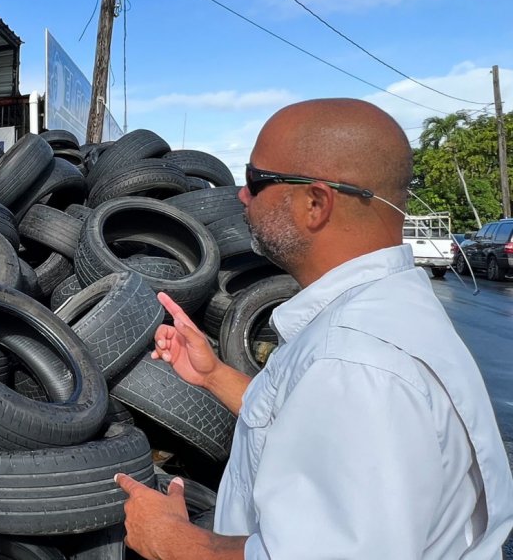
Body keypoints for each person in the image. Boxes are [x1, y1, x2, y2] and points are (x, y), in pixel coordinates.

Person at [115, 98, 513, 559]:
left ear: (315, 203)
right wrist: (212, 375)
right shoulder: (377, 314)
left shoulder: (356, 365)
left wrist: (171, 540)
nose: (241, 196)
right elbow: (302, 422)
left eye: (255, 181)